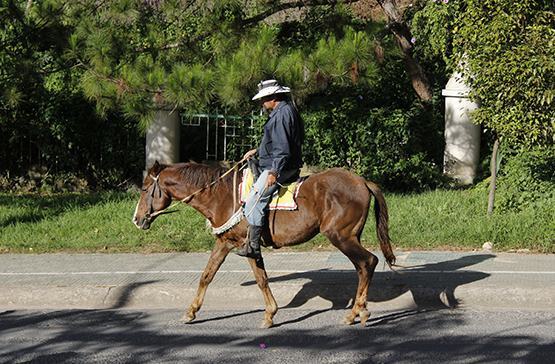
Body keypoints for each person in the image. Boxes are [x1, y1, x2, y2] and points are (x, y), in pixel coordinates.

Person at [236, 79, 304, 260]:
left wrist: (274, 172)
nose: (261, 103)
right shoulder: (286, 110)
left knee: (252, 202)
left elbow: (282, 148)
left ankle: (253, 246)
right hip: (282, 163)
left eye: (264, 99)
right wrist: (257, 151)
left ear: (273, 97)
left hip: (281, 167)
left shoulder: (281, 115)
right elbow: (280, 142)